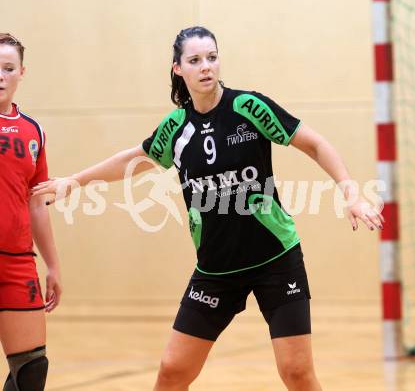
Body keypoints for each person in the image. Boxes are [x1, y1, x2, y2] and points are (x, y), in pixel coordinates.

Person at [32, 26, 383, 391]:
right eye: (195, 60)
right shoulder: (177, 128)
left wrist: (351, 192)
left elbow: (314, 144)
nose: (206, 67)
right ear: (178, 69)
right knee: (172, 371)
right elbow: (132, 160)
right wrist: (74, 181)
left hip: (276, 260)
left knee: (296, 372)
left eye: (212, 58)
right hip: (216, 270)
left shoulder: (249, 107)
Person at [0, 33, 62, 390]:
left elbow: (37, 203)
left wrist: (53, 265)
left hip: (18, 262)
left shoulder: (32, 131)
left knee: (32, 370)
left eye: (9, 68)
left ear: (22, 72)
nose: (1, 75)